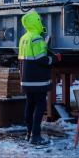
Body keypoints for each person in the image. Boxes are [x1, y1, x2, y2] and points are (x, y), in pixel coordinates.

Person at [18, 9, 60, 145]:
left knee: (29, 105)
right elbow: (42, 60)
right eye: (39, 20)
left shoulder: (24, 38)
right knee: (40, 106)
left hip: (26, 79)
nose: (41, 21)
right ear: (35, 22)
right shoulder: (37, 38)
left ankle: (28, 133)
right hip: (38, 80)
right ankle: (36, 136)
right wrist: (54, 59)